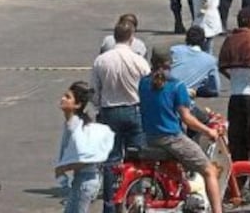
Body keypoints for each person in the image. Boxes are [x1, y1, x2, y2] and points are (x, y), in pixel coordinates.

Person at [139, 48, 222, 213]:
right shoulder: (176, 85)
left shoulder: (143, 83)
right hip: (171, 138)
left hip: (150, 137)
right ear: (170, 64)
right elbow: (187, 118)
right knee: (209, 171)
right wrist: (208, 131)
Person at [92, 20, 149, 213]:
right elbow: (148, 87)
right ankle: (136, 201)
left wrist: (100, 106)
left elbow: (95, 91)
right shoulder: (138, 61)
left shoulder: (101, 60)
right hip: (134, 109)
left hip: (109, 111)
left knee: (111, 161)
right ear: (131, 38)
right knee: (137, 158)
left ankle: (109, 206)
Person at [218, 8, 250, 164]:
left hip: (236, 96)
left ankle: (239, 176)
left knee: (237, 142)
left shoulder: (229, 42)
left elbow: (221, 66)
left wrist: (234, 78)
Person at [55, 82, 114, 213]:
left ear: (77, 105)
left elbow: (86, 158)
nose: (62, 99)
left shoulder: (77, 126)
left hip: (86, 180)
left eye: (67, 97)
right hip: (82, 179)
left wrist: (63, 168)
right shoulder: (73, 123)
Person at [169, 26, 220, 98]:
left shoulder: (175, 50)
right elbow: (216, 88)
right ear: (204, 41)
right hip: (185, 97)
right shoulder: (211, 60)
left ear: (186, 39)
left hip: (166, 91)